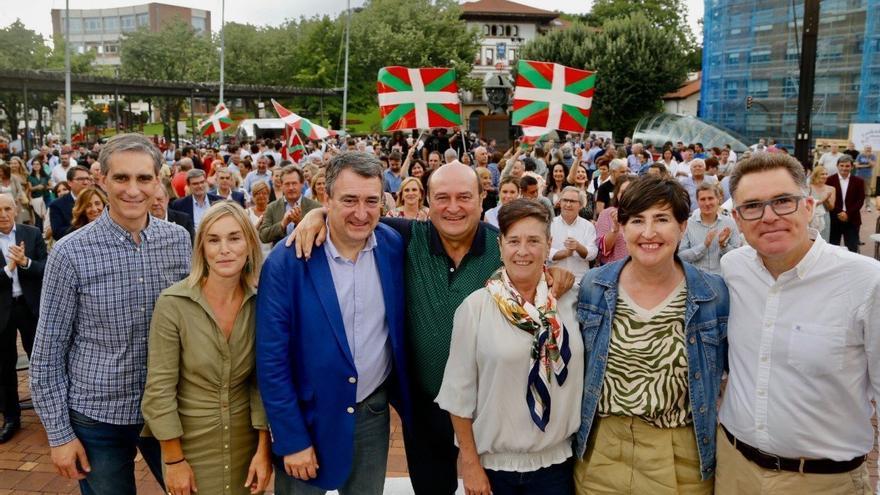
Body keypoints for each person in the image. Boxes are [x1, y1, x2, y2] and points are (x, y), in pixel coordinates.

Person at [288, 161, 577, 495]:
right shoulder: (405, 238)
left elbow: (533, 261)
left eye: (464, 197)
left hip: (488, 414)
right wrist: (318, 216)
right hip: (425, 408)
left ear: (483, 197)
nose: (453, 208)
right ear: (427, 200)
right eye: (442, 197)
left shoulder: (503, 247)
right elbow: (356, 218)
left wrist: (555, 274)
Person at [30, 133, 192, 494]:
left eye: (143, 178)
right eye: (121, 178)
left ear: (157, 182)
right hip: (96, 416)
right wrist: (59, 435)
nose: (133, 190)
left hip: (165, 409)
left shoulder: (178, 240)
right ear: (101, 179)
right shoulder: (70, 253)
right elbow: (47, 352)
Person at [716, 152, 879, 495]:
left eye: (783, 202)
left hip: (824, 483)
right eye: (753, 206)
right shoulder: (733, 268)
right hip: (733, 470)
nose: (769, 216)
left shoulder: (867, 283)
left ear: (808, 206)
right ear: (737, 219)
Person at [257, 152, 412, 494]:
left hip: (371, 415)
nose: (361, 213)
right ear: (326, 200)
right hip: (308, 420)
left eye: (372, 201)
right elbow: (271, 362)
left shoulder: (392, 246)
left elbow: (455, 229)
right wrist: (292, 438)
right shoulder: (287, 262)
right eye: (349, 200)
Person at [575, 175, 729, 494]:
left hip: (681, 455)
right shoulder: (594, 287)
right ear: (623, 227)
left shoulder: (712, 294)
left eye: (661, 219)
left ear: (682, 226)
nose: (648, 233)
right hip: (601, 450)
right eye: (637, 220)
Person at [437, 199, 584, 495]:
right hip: (495, 471)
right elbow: (459, 394)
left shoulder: (573, 301)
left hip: (558, 465)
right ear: (501, 245)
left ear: (548, 244)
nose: (523, 251)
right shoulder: (475, 308)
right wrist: (470, 464)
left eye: (533, 241)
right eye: (514, 241)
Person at [142, 202, 272, 495]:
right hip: (188, 443)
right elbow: (159, 389)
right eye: (213, 239)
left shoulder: (261, 303)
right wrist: (174, 460)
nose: (224, 249)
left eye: (234, 238)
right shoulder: (173, 304)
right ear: (201, 248)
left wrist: (264, 451)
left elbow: (260, 385)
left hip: (245, 443)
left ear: (250, 244)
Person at [0, 193, 47, 443]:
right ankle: (11, 418)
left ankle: (49, 413)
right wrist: (9, 267)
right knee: (4, 366)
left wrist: (25, 261)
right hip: (3, 311)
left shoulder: (32, 234)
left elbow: (45, 268)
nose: (3, 214)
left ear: (16, 209)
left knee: (39, 362)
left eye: (8, 208)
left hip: (30, 309)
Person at [678, 183, 742, 275]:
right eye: (703, 199)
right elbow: (681, 256)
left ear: (718, 200)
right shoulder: (688, 224)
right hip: (698, 279)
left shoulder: (729, 223)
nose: (707, 203)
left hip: (723, 279)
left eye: (710, 198)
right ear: (697, 201)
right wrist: (704, 246)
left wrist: (723, 245)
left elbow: (737, 256)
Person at [550, 186, 598, 306]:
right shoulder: (549, 224)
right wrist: (565, 253)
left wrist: (578, 247)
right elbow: (544, 252)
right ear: (559, 203)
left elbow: (592, 253)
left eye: (572, 201)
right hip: (555, 283)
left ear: (580, 205)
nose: (568, 204)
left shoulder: (588, 226)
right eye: (565, 200)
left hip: (580, 284)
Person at [259, 165, 322, 245]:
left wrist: (299, 222)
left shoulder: (315, 207)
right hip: (280, 256)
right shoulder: (272, 207)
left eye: (294, 183)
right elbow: (263, 236)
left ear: (302, 184)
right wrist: (282, 224)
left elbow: (320, 236)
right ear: (281, 185)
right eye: (287, 184)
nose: (291, 187)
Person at [825, 155, 865, 253]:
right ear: (837, 166)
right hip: (834, 218)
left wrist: (847, 213)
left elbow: (860, 200)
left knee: (852, 248)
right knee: (832, 248)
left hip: (852, 219)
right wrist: (839, 212)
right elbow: (828, 200)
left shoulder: (859, 181)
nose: (844, 168)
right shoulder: (829, 180)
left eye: (847, 166)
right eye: (841, 165)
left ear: (852, 167)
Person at [595, 175, 636, 265]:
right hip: (612, 271)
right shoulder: (607, 213)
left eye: (630, 192)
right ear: (617, 194)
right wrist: (615, 229)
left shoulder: (645, 215)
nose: (626, 195)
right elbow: (602, 248)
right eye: (622, 192)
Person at [48, 165, 93, 241]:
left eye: (87, 179)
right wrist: (83, 226)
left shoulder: (98, 199)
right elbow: (58, 233)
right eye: (80, 179)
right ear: (69, 182)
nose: (85, 182)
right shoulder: (57, 205)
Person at [808, 165, 835, 241]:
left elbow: (831, 208)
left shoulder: (831, 189)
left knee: (824, 240)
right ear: (816, 175)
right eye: (822, 174)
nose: (825, 176)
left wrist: (827, 200)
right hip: (811, 218)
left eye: (826, 174)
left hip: (824, 217)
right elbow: (805, 204)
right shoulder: (809, 187)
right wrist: (823, 199)